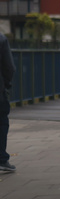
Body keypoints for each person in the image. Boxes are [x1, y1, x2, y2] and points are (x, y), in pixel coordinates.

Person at [0, 33, 16, 172]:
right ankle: (1, 160)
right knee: (1, 123)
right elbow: (9, 67)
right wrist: (6, 84)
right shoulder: (1, 39)